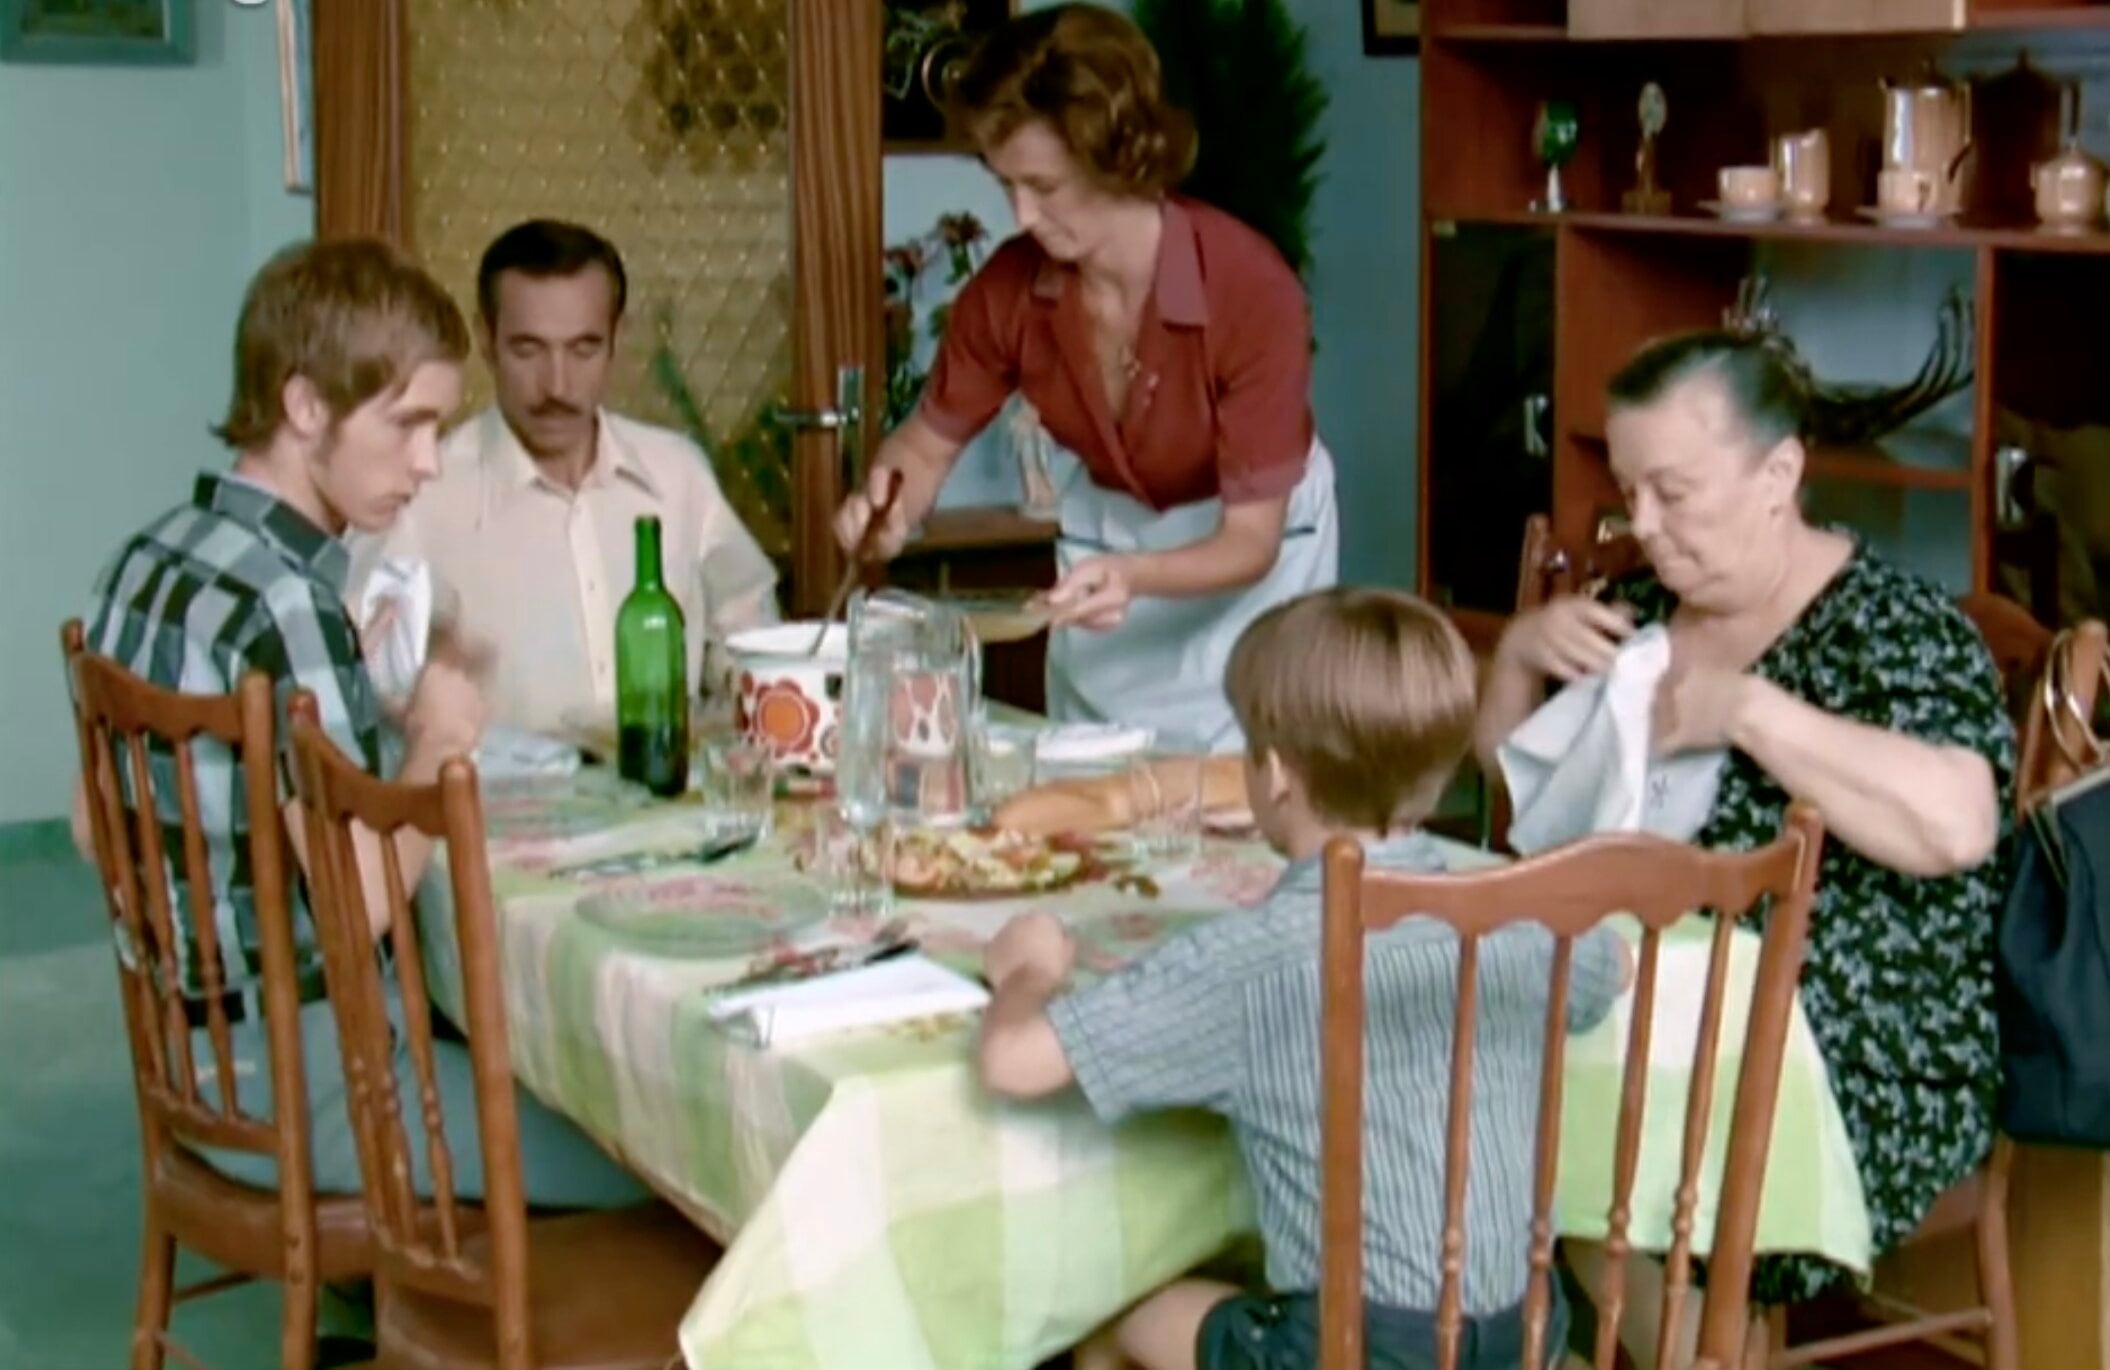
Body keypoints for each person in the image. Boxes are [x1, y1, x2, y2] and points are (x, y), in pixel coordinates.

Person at [73, 238, 645, 1212]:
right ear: (305, 406)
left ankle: (393, 1304)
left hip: (193, 1052)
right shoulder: (290, 603)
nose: (428, 462)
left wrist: (357, 718)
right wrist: (433, 742)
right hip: (312, 1075)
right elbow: (354, 914)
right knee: (653, 1160)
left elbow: (97, 832)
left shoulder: (149, 558)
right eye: (408, 423)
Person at [1475, 330, 2014, 1337]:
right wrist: (1515, 657)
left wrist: (1747, 710)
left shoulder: (1894, 627)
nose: (1643, 524)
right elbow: (1526, 814)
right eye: (1629, 490)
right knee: (1467, 1089)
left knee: (1573, 1154)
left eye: (1673, 492)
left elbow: (1959, 822)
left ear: (1777, 475)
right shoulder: (1633, 611)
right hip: (1650, 1019)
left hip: (1858, 1059)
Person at [978, 587, 1631, 1370]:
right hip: (1528, 1332)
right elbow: (1617, 962)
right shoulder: (1522, 921)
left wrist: (1030, 968)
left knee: (1116, 1320)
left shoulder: (1251, 957)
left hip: (1358, 1352)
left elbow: (1012, 1061)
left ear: (1275, 775)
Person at [832, 4, 1338, 751]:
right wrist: (889, 507)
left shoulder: (1249, 290)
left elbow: (1251, 541)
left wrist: (1134, 576)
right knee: (1092, 800)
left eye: (1045, 185)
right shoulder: (1006, 293)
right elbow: (926, 447)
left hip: (1247, 569)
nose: (1022, 215)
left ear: (1120, 155)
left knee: (1244, 804)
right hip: (1109, 554)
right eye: (1004, 184)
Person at [354, 218, 779, 735]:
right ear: (486, 339)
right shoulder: (421, 494)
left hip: (669, 808)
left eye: (583, 349)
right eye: (528, 350)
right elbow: (358, 688)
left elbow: (752, 636)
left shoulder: (677, 475)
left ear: (616, 340)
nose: (557, 385)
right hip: (496, 811)